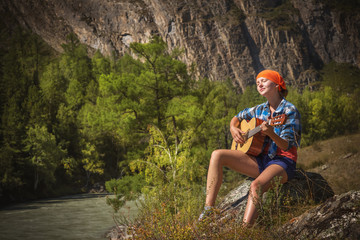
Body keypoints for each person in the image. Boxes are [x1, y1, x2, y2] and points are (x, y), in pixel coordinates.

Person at [199, 69, 301, 226]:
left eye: (264, 80)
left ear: (277, 85)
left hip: (282, 162)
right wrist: (233, 128)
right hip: (260, 160)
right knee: (217, 155)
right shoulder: (259, 109)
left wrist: (271, 133)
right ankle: (208, 210)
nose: (259, 83)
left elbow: (287, 146)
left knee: (256, 186)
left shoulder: (289, 110)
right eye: (257, 82)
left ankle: (244, 231)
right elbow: (237, 117)